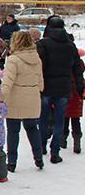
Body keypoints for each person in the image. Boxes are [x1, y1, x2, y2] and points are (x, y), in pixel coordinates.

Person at [36, 16, 83, 163]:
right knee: (59, 121)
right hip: (64, 88)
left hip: (46, 87)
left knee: (43, 119)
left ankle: (42, 145)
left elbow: (39, 65)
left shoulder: (43, 44)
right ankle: (55, 153)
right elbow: (77, 69)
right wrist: (80, 87)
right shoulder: (70, 46)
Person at [1, 30, 45, 171]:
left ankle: (12, 162)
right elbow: (41, 83)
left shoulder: (13, 59)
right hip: (32, 97)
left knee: (13, 131)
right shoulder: (36, 58)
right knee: (32, 129)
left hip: (15, 99)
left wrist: (0, 97)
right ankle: (39, 159)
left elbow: (7, 83)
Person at [63, 49, 85, 154]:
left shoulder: (64, 66)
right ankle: (77, 144)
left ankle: (62, 141)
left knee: (64, 119)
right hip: (76, 96)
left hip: (66, 94)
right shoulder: (80, 67)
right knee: (76, 121)